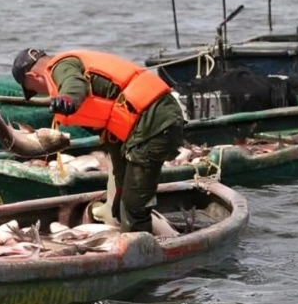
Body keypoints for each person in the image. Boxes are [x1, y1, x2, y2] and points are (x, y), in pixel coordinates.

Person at [11, 48, 185, 234]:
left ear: (32, 76)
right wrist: (118, 191)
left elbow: (75, 84)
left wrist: (67, 99)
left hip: (154, 121)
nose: (40, 94)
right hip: (147, 123)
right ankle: (132, 236)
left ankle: (139, 253)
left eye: (33, 90)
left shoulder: (61, 67)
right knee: (122, 202)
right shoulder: (74, 71)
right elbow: (115, 143)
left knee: (134, 205)